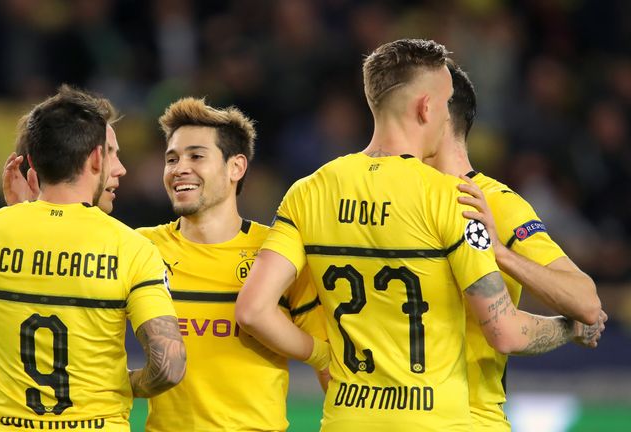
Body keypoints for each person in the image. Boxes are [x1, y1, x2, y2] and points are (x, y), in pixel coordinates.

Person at [234, 38, 603, 431]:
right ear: (428, 108)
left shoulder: (310, 190)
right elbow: (512, 330)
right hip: (453, 420)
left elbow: (254, 309)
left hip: (347, 417)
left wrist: (323, 357)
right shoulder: (458, 201)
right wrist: (568, 327)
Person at [0, 97, 328, 431]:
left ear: (236, 167)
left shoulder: (276, 258)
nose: (179, 168)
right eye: (171, 158)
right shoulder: (136, 247)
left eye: (196, 156)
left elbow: (329, 365)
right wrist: (25, 218)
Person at [0, 85, 186, 432]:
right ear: (96, 158)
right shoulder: (130, 247)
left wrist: (17, 222)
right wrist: (120, 383)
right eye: (112, 154)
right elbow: (169, 366)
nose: (122, 169)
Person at [425, 62, 606, 431]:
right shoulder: (393, 198)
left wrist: (501, 253)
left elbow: (585, 301)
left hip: (467, 416)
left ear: (432, 114)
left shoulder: (495, 204)